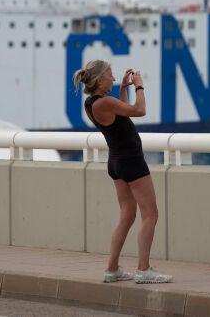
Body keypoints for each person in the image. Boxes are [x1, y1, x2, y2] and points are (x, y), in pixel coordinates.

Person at [73, 60, 172, 284]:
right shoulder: (105, 103)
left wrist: (122, 91)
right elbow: (140, 110)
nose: (114, 78)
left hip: (117, 163)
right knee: (151, 215)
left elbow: (122, 115)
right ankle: (144, 270)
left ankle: (112, 269)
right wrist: (139, 86)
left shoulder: (93, 103)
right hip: (132, 162)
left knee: (127, 216)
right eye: (110, 75)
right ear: (99, 81)